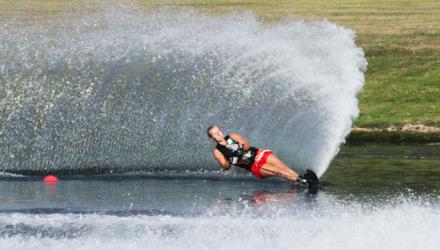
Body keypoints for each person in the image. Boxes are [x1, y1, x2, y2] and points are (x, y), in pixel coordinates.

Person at [207, 124, 318, 188]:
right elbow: (226, 167)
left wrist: (239, 147)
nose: (218, 134)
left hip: (260, 154)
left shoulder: (233, 136)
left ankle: (303, 181)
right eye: (215, 134)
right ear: (212, 138)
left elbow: (247, 145)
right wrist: (230, 158)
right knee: (278, 172)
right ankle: (305, 182)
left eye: (218, 131)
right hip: (254, 166)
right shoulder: (217, 151)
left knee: (284, 168)